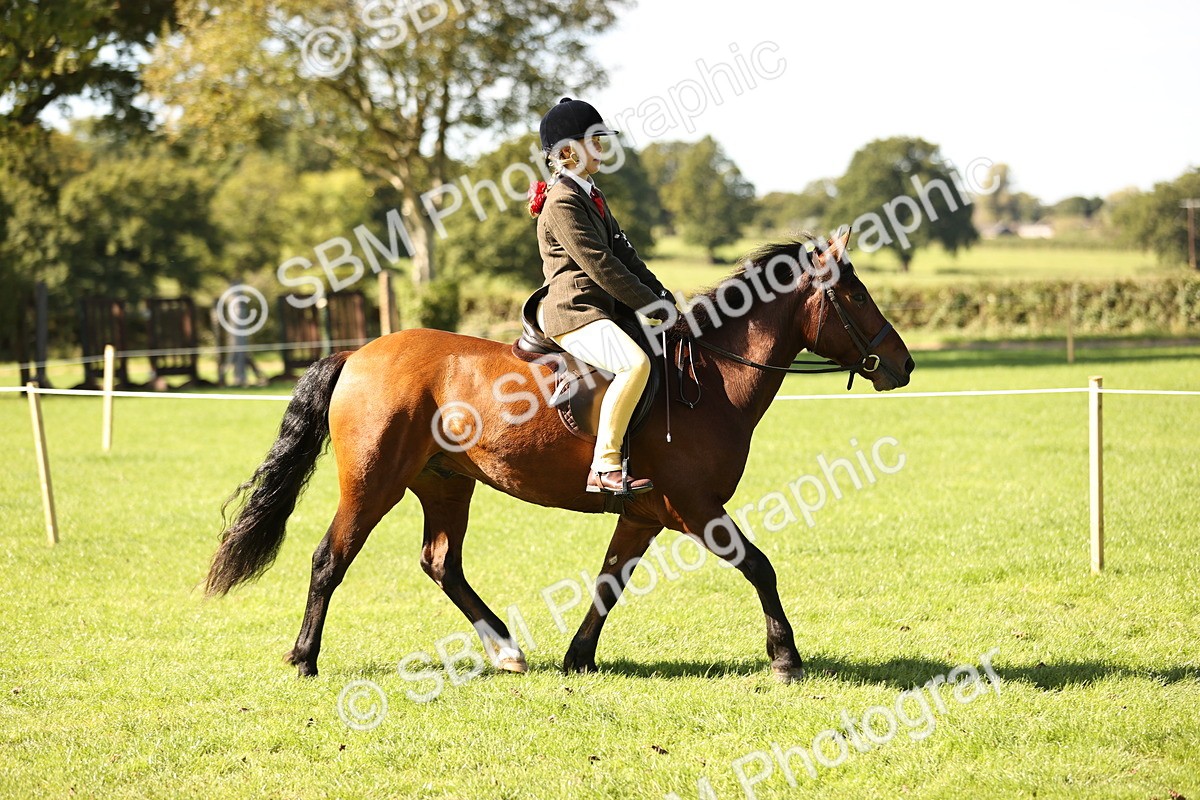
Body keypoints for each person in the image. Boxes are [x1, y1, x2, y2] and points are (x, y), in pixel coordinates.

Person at [529, 97, 673, 496]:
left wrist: (662, 295)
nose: (603, 148)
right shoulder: (561, 201)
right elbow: (600, 265)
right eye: (595, 140)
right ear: (568, 151)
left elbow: (625, 254)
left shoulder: (592, 193)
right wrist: (648, 304)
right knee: (634, 365)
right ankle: (605, 466)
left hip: (600, 309)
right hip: (574, 311)